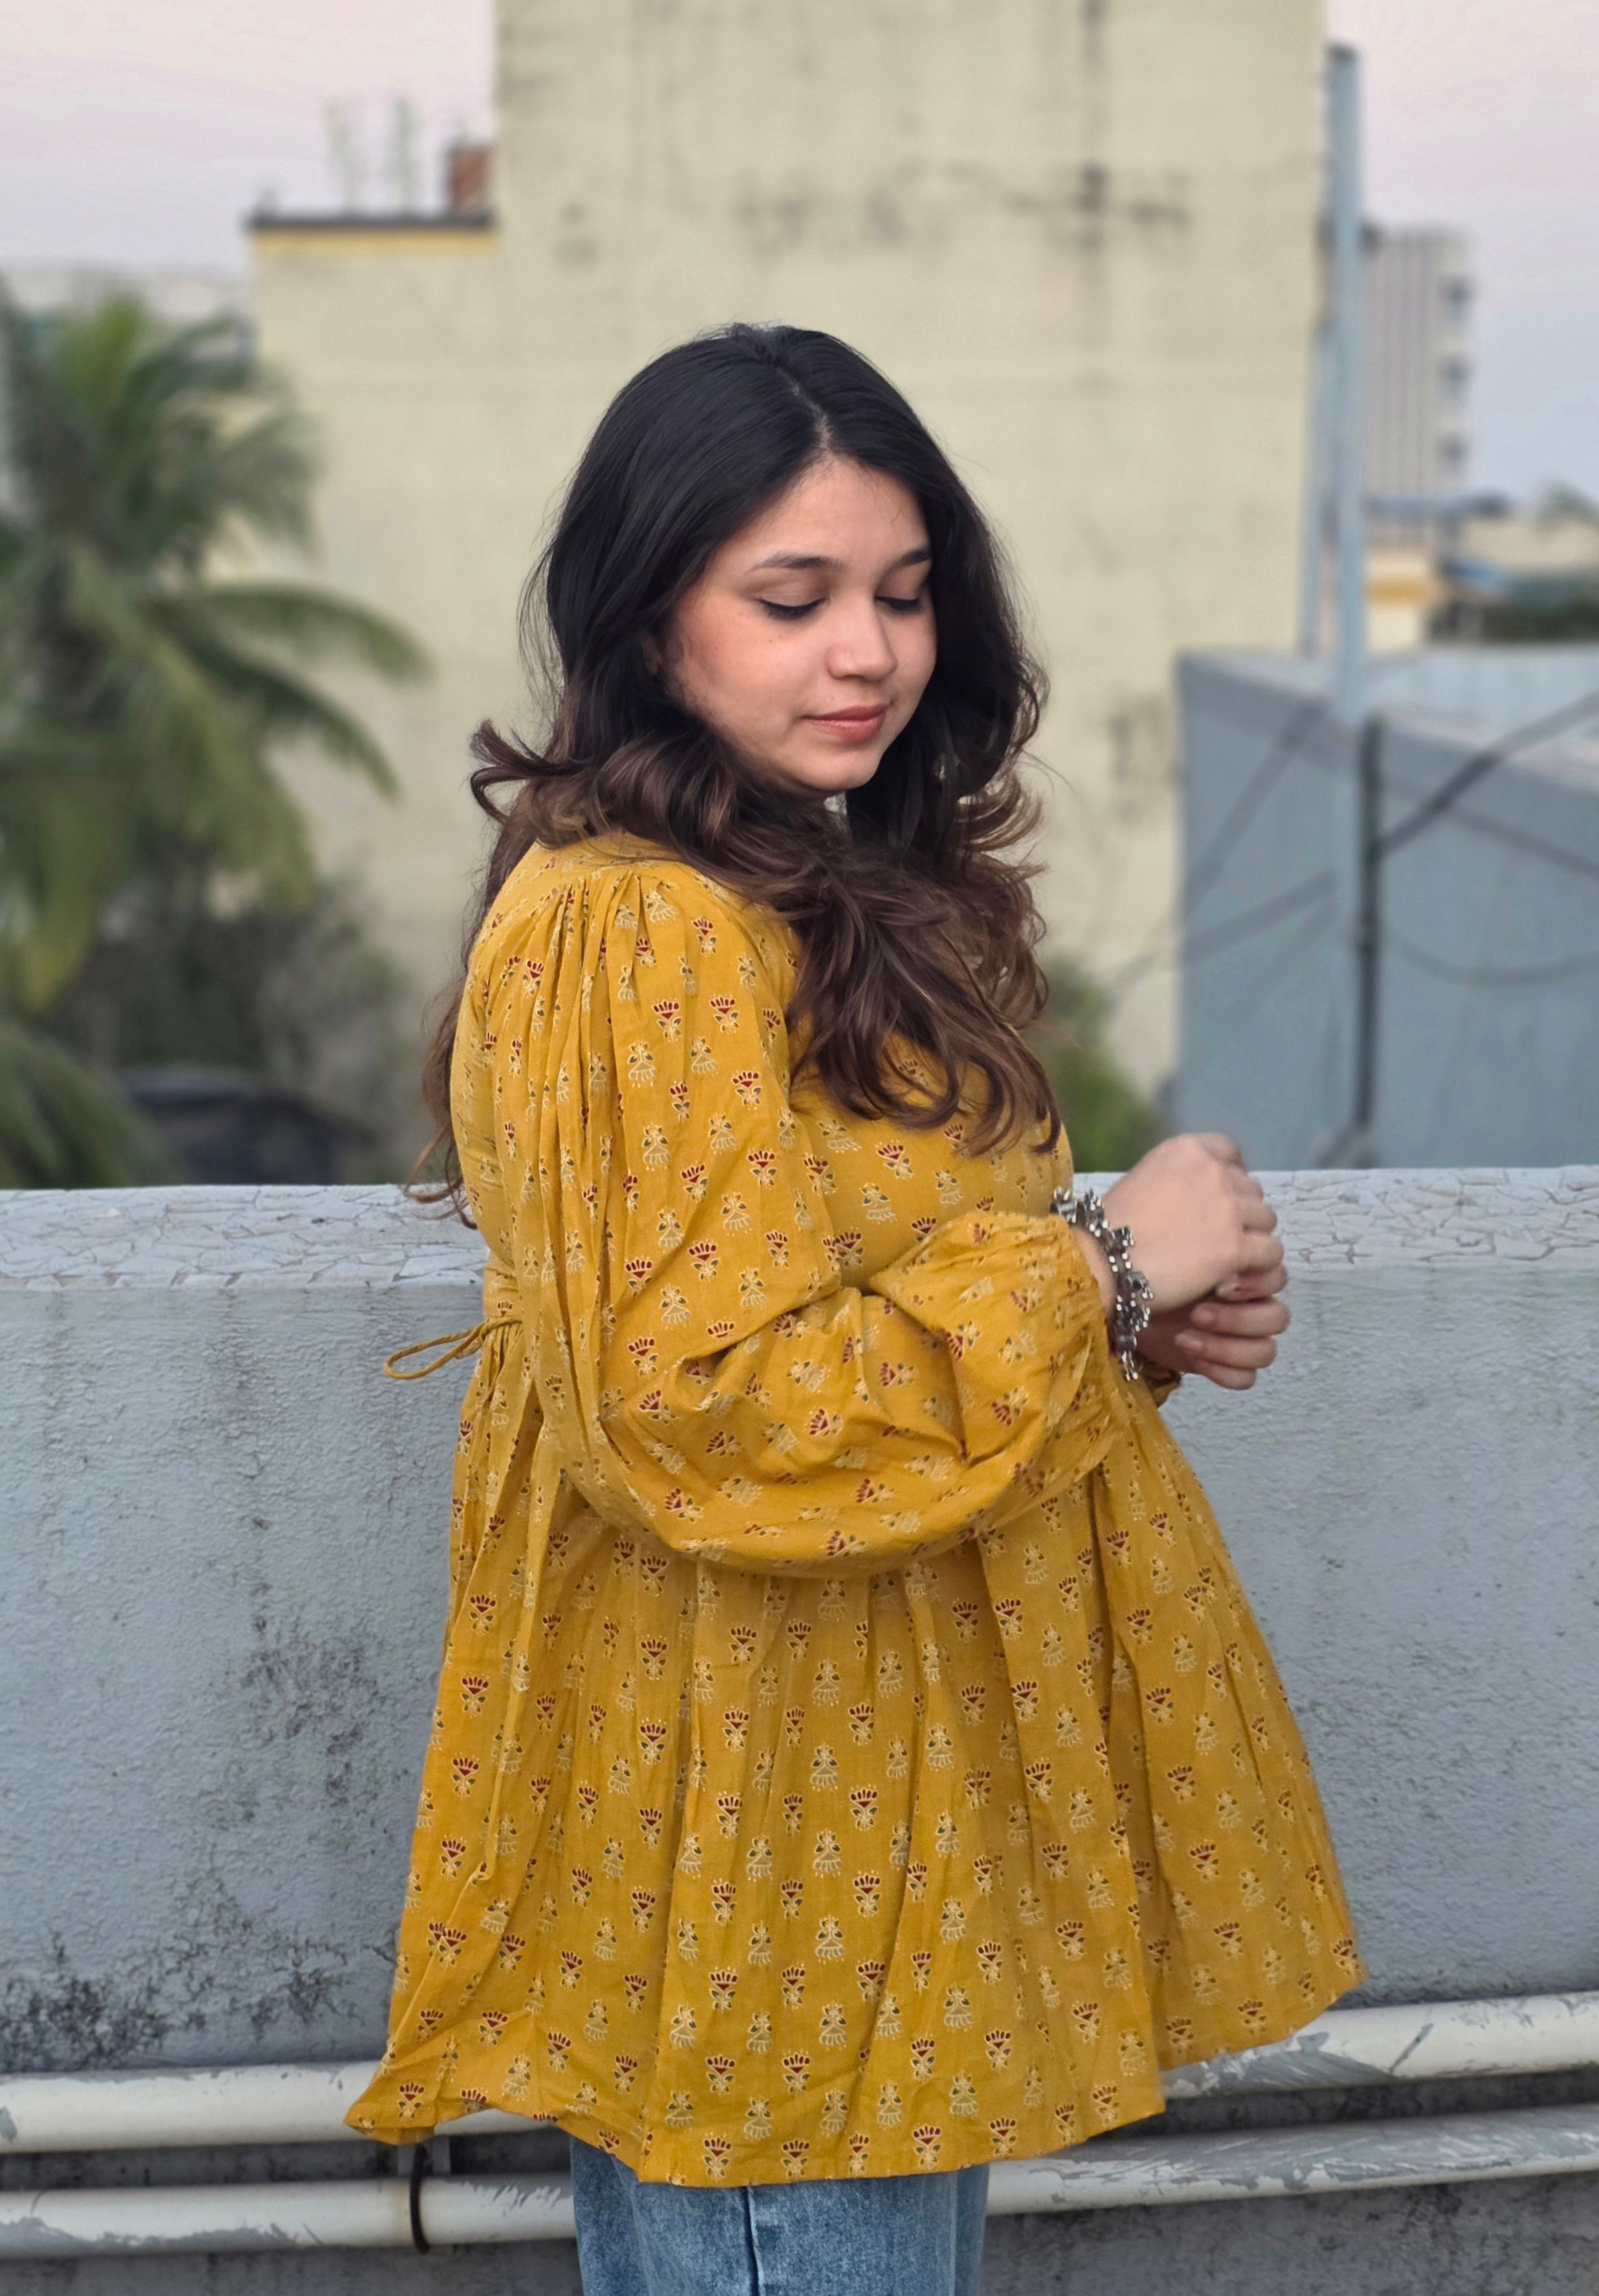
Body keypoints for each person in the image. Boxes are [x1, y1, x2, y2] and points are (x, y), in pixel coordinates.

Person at [349, 323, 1362, 2292]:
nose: (869, 654)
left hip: (864, 1820)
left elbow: (844, 1287)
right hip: (772, 1838)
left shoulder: (784, 881)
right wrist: (1100, 1260)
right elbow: (713, 1409)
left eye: (904, 595)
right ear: (652, 622)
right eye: (791, 597)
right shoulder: (636, 925)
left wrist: (1121, 1319)